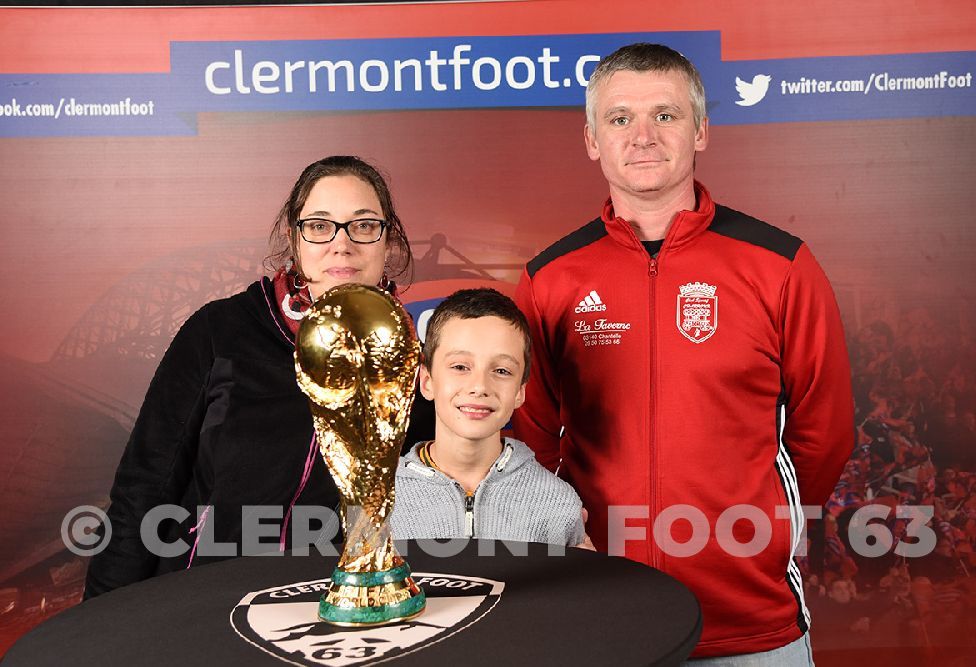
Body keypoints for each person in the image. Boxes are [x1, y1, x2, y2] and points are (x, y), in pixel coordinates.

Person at [512, 43, 854, 662]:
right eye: (620, 119)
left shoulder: (780, 266)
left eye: (665, 116)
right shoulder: (550, 279)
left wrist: (763, 535)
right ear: (592, 140)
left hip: (753, 621)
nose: (642, 136)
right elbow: (529, 441)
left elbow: (823, 435)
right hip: (599, 614)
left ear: (700, 130)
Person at [85, 156, 433, 598]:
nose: (341, 245)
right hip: (199, 601)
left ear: (388, 241)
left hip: (322, 614)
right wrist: (98, 620)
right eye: (320, 225)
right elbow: (144, 484)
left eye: (363, 226)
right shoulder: (221, 331)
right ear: (295, 237)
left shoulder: (412, 362)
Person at [391, 288, 585, 547]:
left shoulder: (558, 502)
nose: (479, 386)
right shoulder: (381, 503)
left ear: (519, 392)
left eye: (502, 370)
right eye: (460, 367)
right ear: (426, 381)